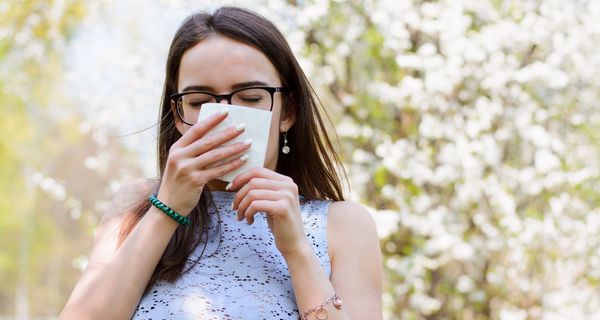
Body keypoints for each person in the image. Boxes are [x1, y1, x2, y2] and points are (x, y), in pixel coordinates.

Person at [61, 6, 382, 320]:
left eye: (252, 97)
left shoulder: (343, 224)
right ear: (178, 114)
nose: (226, 118)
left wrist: (297, 251)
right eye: (200, 101)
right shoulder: (138, 205)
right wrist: (166, 210)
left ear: (287, 112)